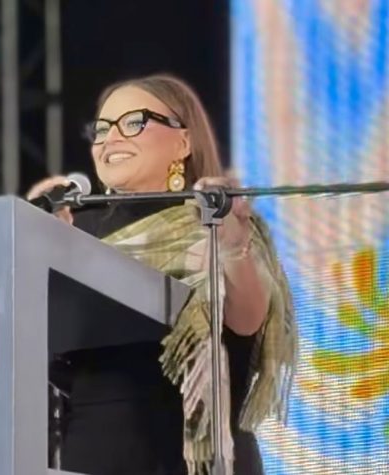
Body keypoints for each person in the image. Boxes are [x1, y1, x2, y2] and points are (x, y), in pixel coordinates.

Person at [28, 74, 296, 475]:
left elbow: (246, 321)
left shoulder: (216, 220)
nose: (110, 138)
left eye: (133, 122)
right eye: (102, 129)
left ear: (183, 142)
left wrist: (232, 246)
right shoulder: (75, 234)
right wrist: (33, 242)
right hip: (87, 459)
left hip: (195, 460)